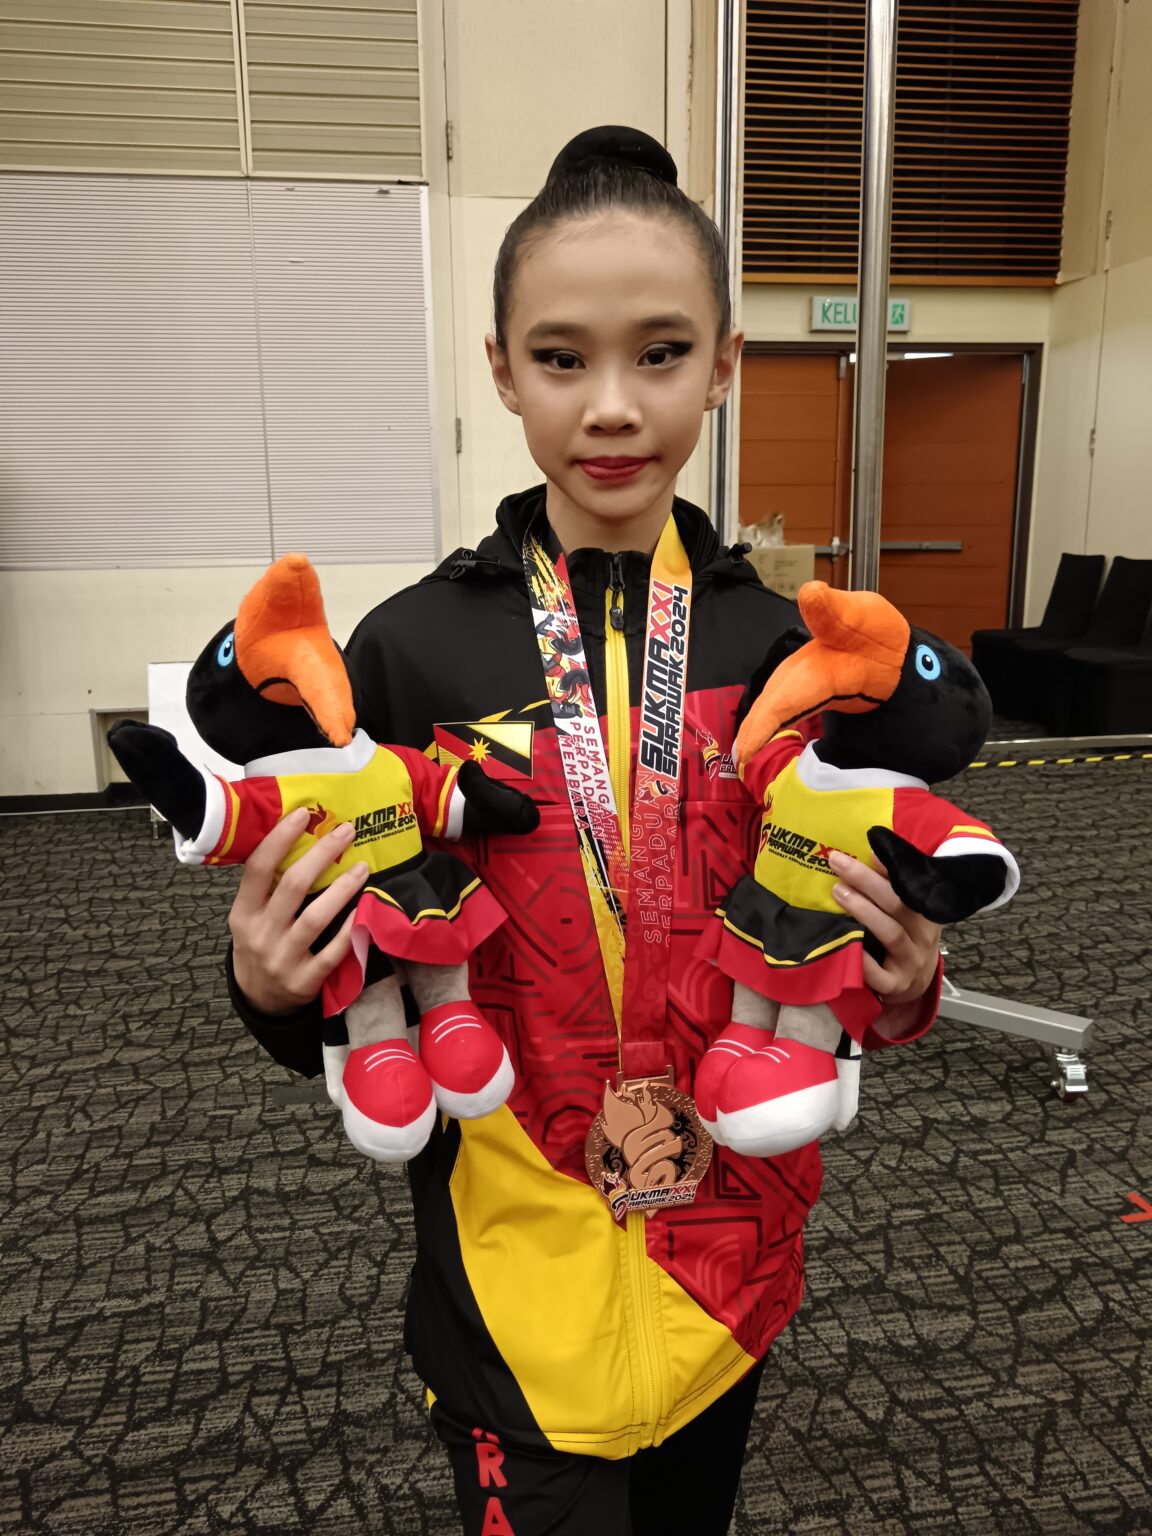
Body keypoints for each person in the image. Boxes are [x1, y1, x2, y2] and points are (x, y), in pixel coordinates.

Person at [225, 126, 943, 1535]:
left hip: (727, 1270)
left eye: (661, 353)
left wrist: (907, 983)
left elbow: (841, 948)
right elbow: (341, 966)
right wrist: (266, 982)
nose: (612, 407)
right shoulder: (408, 652)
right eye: (562, 359)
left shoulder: (786, 653)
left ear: (724, 364)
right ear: (503, 369)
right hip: (511, 1291)